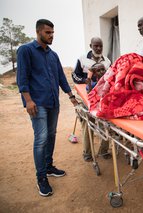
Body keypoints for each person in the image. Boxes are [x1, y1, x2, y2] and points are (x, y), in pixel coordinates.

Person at [16, 19, 78, 197]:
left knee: (51, 135)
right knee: (41, 138)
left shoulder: (53, 55)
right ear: (38, 32)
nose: (51, 36)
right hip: (38, 103)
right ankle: (41, 177)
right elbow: (22, 78)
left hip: (53, 103)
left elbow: (60, 77)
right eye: (47, 33)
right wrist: (28, 100)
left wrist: (71, 96)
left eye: (52, 33)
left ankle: (49, 166)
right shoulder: (26, 50)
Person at [72, 37, 112, 162]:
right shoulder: (82, 59)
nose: (99, 48)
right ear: (91, 46)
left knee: (106, 123)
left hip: (101, 97)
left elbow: (111, 78)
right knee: (88, 122)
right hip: (86, 98)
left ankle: (104, 150)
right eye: (96, 46)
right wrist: (86, 82)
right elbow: (75, 76)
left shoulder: (107, 61)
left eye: (101, 46)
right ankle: (87, 153)